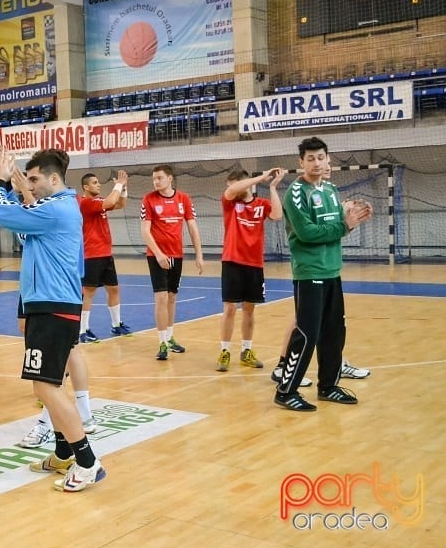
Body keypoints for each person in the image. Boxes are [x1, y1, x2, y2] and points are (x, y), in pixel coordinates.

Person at [0, 147, 105, 492]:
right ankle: (62, 452)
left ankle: (87, 461)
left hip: (52, 307)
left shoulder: (56, 209)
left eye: (35, 179)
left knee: (45, 386)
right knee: (51, 382)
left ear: (54, 179)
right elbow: (24, 226)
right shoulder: (55, 209)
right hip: (53, 305)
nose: (32, 185)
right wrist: (17, 186)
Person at [275, 137, 372, 411]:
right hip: (309, 273)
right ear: (301, 162)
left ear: (328, 159)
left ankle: (328, 386)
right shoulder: (295, 193)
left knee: (334, 332)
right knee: (306, 333)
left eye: (320, 158)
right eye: (310, 158)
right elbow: (307, 233)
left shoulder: (330, 189)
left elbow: (336, 223)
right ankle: (286, 391)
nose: (316, 163)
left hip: (332, 270)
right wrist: (345, 226)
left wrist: (354, 216)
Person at [215, 168, 285, 372]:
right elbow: (233, 190)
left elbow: (278, 215)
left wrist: (271, 187)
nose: (231, 189)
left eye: (234, 184)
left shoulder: (261, 205)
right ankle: (225, 351)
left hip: (254, 264)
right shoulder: (230, 203)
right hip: (232, 261)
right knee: (229, 308)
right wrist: (262, 177)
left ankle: (246, 351)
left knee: (249, 309)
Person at [140, 164, 204, 360]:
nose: (156, 182)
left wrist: (199, 255)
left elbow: (193, 228)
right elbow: (145, 230)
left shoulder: (184, 199)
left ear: (170, 179)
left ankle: (169, 338)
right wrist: (158, 253)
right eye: (154, 179)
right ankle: (161, 343)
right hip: (156, 256)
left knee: (172, 297)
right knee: (160, 298)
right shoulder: (149, 199)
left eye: (159, 178)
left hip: (177, 255)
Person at [77, 170, 131, 342]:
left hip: (106, 253)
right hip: (92, 253)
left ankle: (116, 325)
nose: (99, 184)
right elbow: (111, 201)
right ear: (86, 187)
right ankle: (82, 330)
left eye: (98, 182)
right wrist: (118, 184)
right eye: (95, 183)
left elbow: (120, 204)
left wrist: (123, 189)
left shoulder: (99, 201)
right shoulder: (85, 202)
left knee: (114, 288)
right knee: (89, 292)